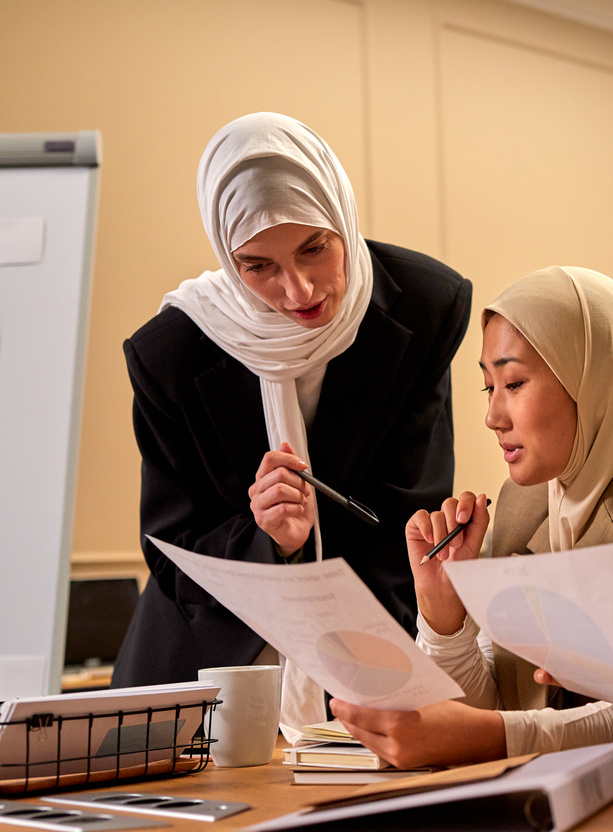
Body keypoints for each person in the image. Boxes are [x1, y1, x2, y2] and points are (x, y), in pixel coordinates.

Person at [112, 113, 473, 736]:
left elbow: (406, 515)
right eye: (257, 266)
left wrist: (367, 681)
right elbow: (173, 553)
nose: (298, 288)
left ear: (342, 218)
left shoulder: (425, 305)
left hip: (368, 643)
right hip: (207, 667)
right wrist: (268, 542)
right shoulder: (171, 353)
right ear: (228, 258)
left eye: (315, 248)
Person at [331, 266, 613, 766]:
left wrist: (502, 738)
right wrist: (444, 615)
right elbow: (493, 708)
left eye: (515, 383)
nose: (493, 417)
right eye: (488, 388)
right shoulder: (526, 502)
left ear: (596, 378)